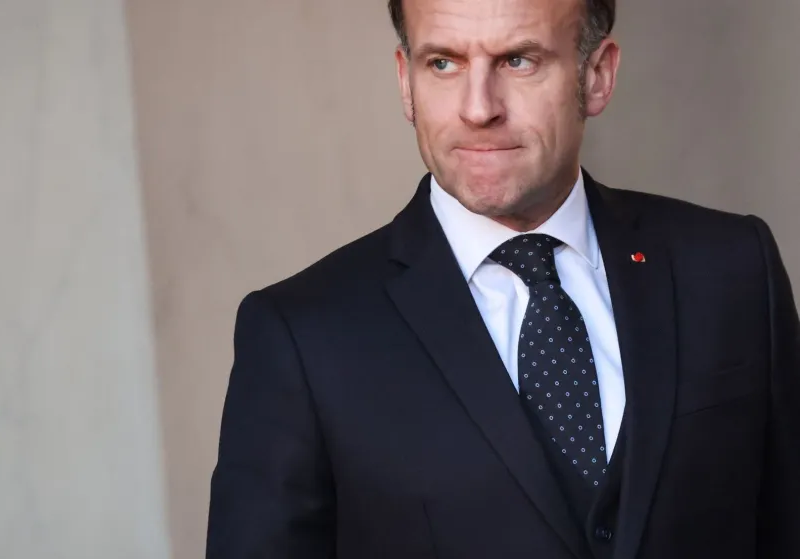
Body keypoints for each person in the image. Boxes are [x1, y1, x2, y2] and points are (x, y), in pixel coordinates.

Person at [206, 0, 800, 556]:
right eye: (443, 63)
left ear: (597, 76)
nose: (478, 107)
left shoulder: (732, 268)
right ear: (405, 82)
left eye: (518, 60)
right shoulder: (302, 336)